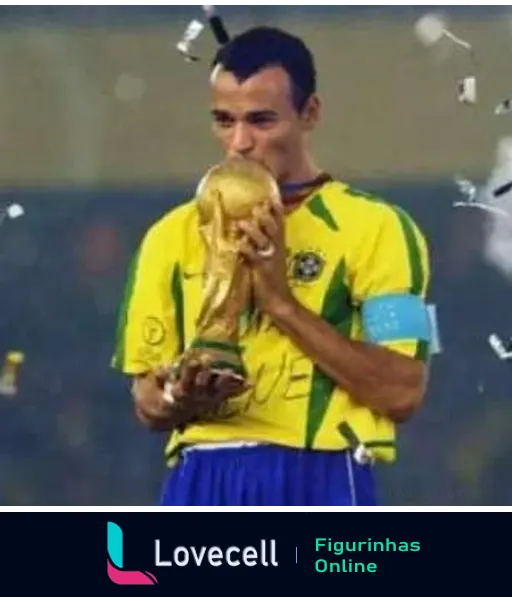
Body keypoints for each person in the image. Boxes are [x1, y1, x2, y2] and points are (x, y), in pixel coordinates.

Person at [111, 26, 432, 510]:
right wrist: (181, 396)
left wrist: (281, 303)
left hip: (320, 474)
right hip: (203, 476)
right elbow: (147, 403)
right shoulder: (168, 237)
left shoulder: (380, 229)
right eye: (224, 120)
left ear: (310, 114)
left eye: (261, 120)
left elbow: (401, 389)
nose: (240, 142)